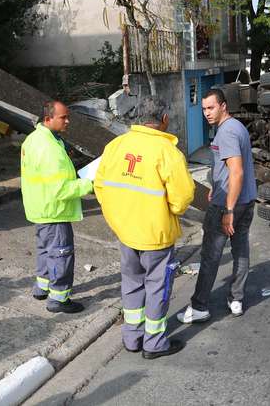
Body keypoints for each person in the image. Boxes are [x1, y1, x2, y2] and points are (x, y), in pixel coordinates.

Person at [94, 96, 195, 359]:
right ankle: (154, 343)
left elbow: (100, 186)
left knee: (131, 284)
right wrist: (171, 211)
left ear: (138, 118)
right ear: (164, 120)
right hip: (155, 236)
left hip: (125, 232)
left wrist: (117, 217)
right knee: (156, 287)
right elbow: (182, 199)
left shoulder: (116, 145)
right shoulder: (168, 153)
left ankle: (132, 337)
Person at [178, 88, 256, 324]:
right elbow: (226, 168)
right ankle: (236, 300)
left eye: (211, 107)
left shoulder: (227, 133)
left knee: (211, 255)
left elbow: (237, 171)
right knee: (240, 249)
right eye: (203, 109)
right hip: (245, 199)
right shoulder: (236, 127)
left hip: (228, 204)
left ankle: (200, 306)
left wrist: (228, 210)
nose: (206, 113)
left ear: (223, 106)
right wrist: (215, 183)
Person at [20, 100, 93, 314]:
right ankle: (58, 298)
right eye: (63, 117)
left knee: (46, 251)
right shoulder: (49, 148)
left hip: (40, 207)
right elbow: (61, 190)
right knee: (61, 253)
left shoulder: (34, 139)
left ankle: (42, 287)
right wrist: (90, 184)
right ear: (48, 119)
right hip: (54, 210)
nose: (67, 121)